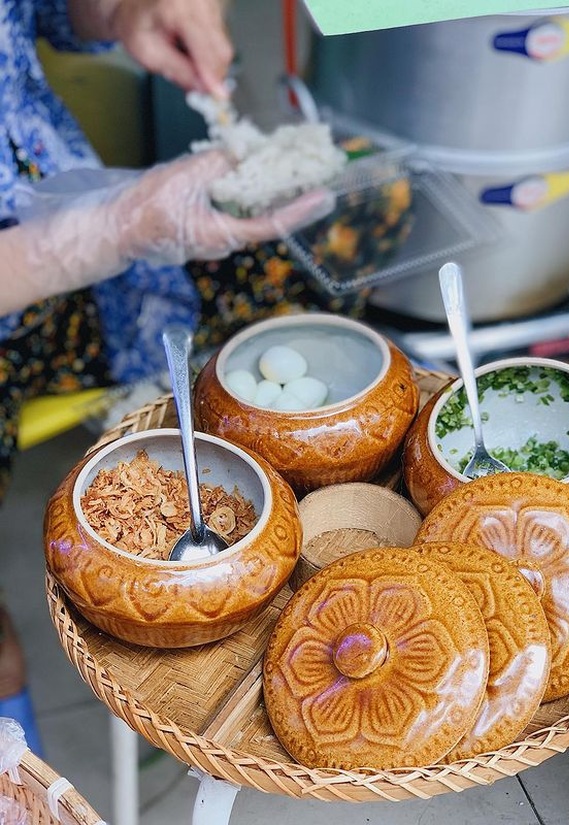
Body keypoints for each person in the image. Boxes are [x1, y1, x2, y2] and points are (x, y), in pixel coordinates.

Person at [0, 0, 367, 753]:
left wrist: (119, 10)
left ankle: (296, 521)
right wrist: (103, 233)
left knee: (347, 217)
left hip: (78, 234)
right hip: (38, 262)